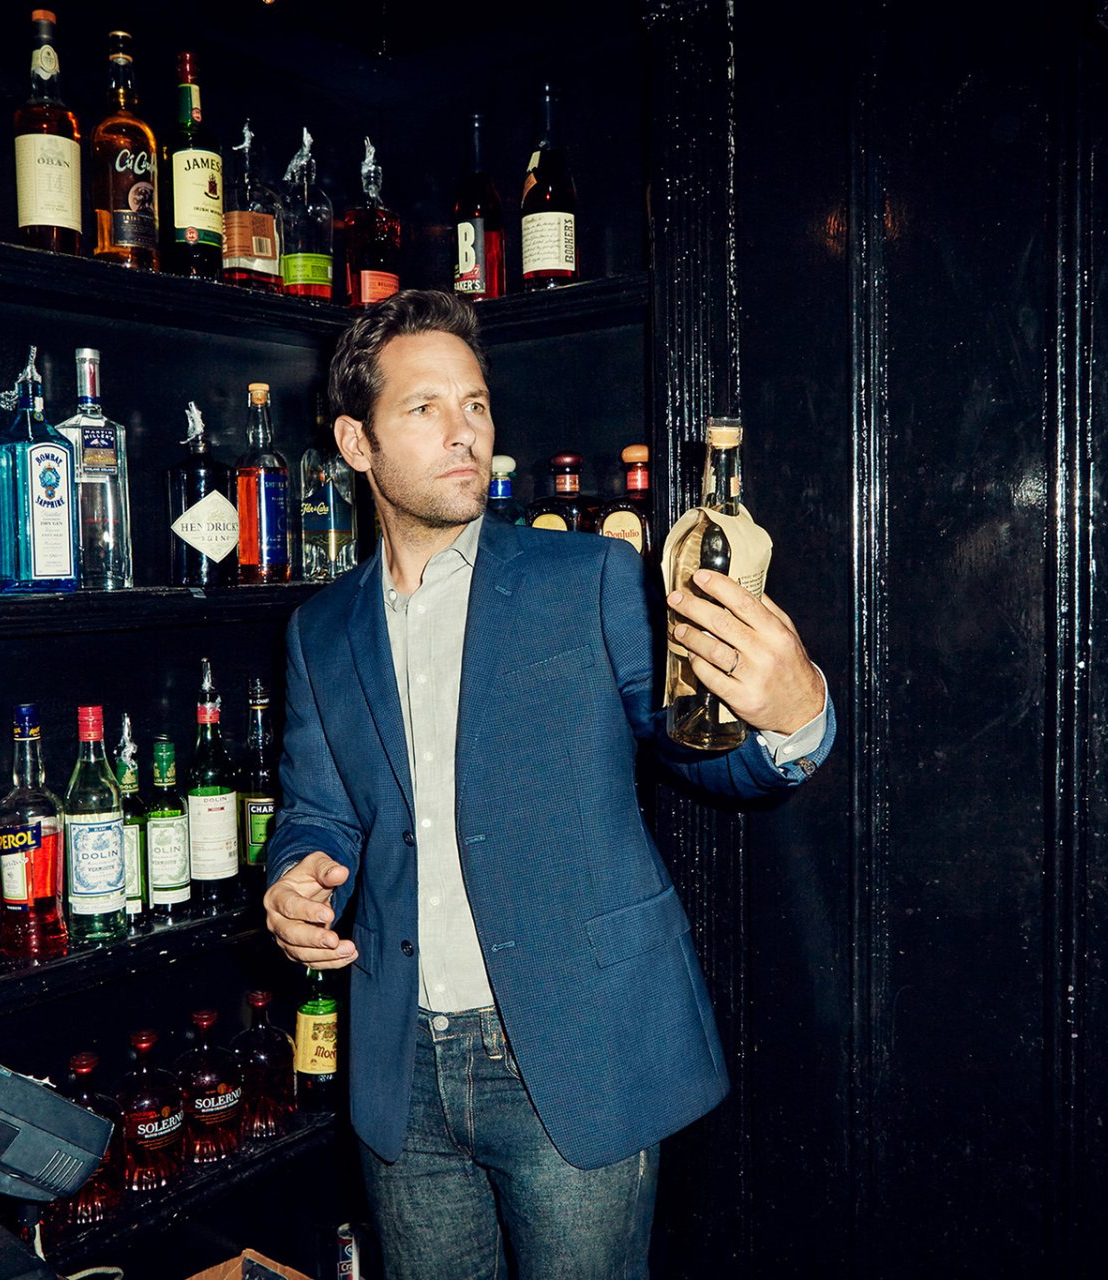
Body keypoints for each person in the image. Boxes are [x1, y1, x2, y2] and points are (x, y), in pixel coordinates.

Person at [262, 289, 832, 1279]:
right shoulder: (319, 630)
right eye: (425, 407)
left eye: (476, 404)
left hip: (569, 1049)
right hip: (403, 1066)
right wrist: (293, 879)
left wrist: (793, 712)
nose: (465, 432)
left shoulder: (590, 579)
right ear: (357, 443)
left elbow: (706, 747)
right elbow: (320, 808)